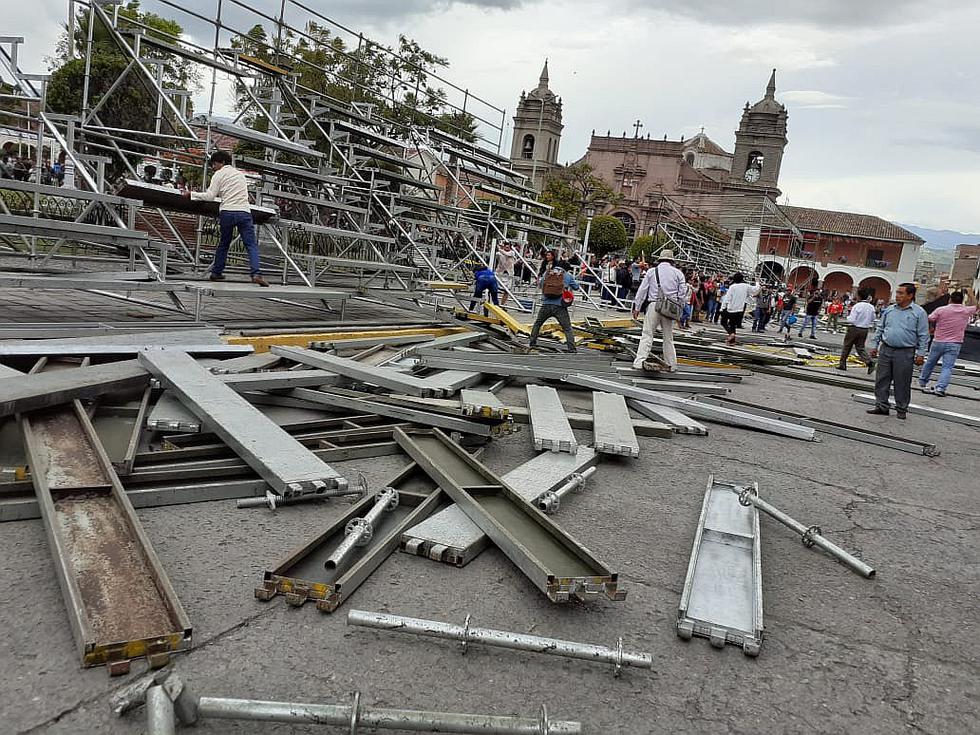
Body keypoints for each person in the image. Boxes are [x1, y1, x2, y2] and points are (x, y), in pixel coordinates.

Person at [184, 151, 268, 286]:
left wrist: (191, 194)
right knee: (251, 245)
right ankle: (256, 273)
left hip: (227, 211)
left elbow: (210, 196)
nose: (213, 167)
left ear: (221, 162)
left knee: (224, 243)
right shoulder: (240, 175)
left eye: (214, 164)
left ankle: (216, 272)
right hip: (244, 212)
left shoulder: (219, 174)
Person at [867, 283, 929, 419]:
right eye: (897, 293)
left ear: (910, 295)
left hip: (905, 352)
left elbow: (924, 335)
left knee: (902, 381)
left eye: (901, 293)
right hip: (886, 349)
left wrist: (921, 354)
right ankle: (881, 406)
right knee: (882, 379)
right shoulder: (890, 310)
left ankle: (901, 409)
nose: (898, 296)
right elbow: (880, 328)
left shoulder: (918, 313)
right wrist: (874, 346)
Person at [631, 249, 686, 370]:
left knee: (647, 334)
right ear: (672, 261)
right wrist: (679, 312)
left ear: (660, 259)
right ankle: (672, 364)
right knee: (668, 338)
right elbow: (682, 295)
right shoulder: (678, 274)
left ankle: (639, 362)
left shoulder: (652, 271)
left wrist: (637, 307)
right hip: (669, 307)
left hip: (654, 305)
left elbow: (642, 290)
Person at [919, 291, 977, 396]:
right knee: (947, 367)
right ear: (962, 301)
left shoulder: (941, 310)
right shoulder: (965, 310)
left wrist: (930, 328)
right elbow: (977, 306)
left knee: (930, 362)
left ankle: (923, 382)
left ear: (950, 299)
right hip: (955, 343)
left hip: (938, 341)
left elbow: (929, 318)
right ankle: (940, 388)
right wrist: (971, 295)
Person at [528, 250, 579, 353]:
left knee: (538, 323)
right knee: (567, 328)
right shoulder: (568, 275)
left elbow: (541, 284)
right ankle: (572, 349)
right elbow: (576, 287)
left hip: (546, 304)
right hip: (560, 306)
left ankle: (532, 343)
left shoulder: (548, 273)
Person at [837, 289, 876, 371]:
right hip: (864, 329)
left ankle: (842, 364)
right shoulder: (871, 307)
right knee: (860, 347)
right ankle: (869, 361)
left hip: (854, 328)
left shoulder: (857, 306)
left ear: (859, 296)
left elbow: (852, 320)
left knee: (847, 346)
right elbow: (873, 318)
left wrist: (847, 318)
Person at [719, 273, 760, 345]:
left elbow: (727, 298)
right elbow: (756, 290)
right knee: (733, 324)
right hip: (740, 310)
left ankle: (731, 334)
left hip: (731, 309)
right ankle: (732, 341)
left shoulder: (733, 287)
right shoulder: (746, 286)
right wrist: (757, 282)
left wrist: (722, 308)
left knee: (723, 322)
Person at [495, 242, 516, 306]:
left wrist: (500, 249)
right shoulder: (499, 253)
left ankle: (502, 304)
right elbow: (497, 255)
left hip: (509, 274)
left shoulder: (512, 252)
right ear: (503, 247)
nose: (507, 248)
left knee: (507, 291)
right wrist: (499, 249)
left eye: (508, 247)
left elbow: (507, 254)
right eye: (506, 247)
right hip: (500, 273)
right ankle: (495, 303)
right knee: (495, 288)